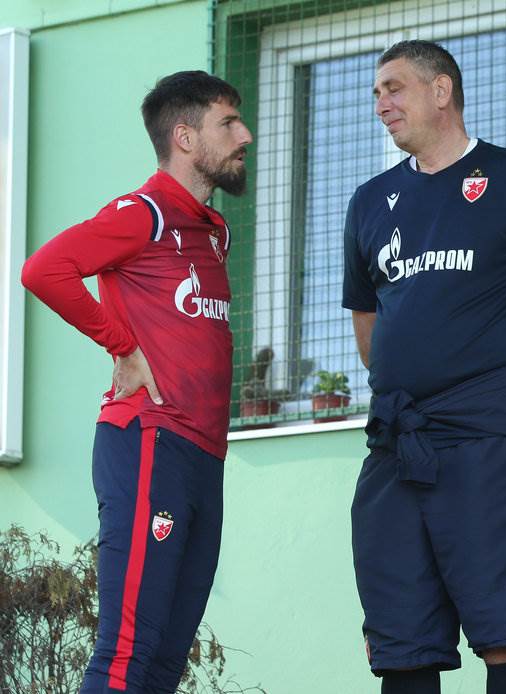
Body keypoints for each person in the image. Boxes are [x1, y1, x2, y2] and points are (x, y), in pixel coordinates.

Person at [343, 40, 506, 694]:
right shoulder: (369, 203)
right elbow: (371, 333)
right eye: (375, 93)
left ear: (442, 90)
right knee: (403, 648)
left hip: (486, 449)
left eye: (394, 88)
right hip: (395, 450)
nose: (381, 104)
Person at [20, 71, 251, 693]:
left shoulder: (214, 231)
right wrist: (120, 346)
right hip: (148, 440)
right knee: (127, 654)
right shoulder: (143, 213)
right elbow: (45, 270)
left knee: (164, 666)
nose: (245, 135)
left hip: (205, 458)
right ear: (184, 136)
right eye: (228, 122)